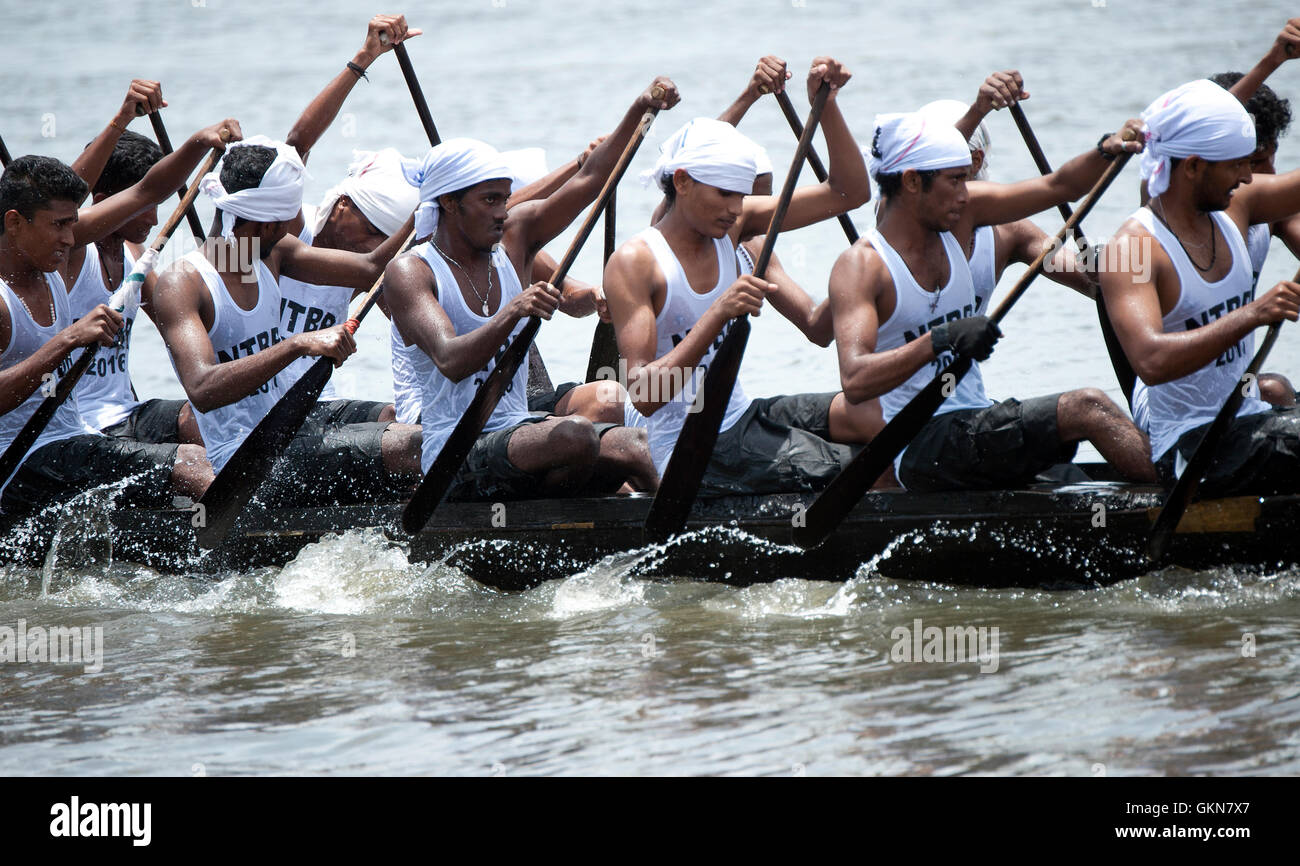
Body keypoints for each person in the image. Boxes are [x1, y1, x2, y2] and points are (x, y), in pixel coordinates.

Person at [828, 110, 1155, 492]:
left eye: (967, 179)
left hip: (972, 419)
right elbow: (855, 379)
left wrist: (1106, 149)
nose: (966, 194)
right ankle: (1188, 491)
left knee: (1069, 474)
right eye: (954, 181)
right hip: (918, 442)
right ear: (912, 181)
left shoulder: (963, 215)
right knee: (1088, 407)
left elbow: (1059, 187)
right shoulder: (862, 266)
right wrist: (940, 338)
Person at [384, 78, 679, 500]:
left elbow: (593, 177)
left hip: (517, 428)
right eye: (489, 200)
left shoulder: (515, 239)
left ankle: (679, 527)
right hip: (453, 447)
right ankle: (548, 503)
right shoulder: (411, 272)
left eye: (505, 199)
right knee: (576, 436)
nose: (503, 212)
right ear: (449, 203)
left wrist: (641, 109)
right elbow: (451, 359)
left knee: (637, 445)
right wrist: (514, 310)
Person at [603, 57, 873, 495]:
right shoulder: (636, 262)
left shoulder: (732, 226)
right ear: (684, 182)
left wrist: (825, 106)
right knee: (860, 475)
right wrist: (718, 313)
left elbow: (849, 193)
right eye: (724, 193)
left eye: (742, 195)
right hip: (683, 449)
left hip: (739, 420)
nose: (735, 208)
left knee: (875, 448)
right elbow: (644, 395)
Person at [151, 137, 421, 506]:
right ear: (264, 224)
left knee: (404, 427)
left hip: (293, 430)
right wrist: (296, 344)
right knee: (415, 446)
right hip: (247, 458)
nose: (292, 230)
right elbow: (202, 388)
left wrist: (425, 208)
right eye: (285, 223)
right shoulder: (182, 283)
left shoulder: (275, 252)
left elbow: (372, 269)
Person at [1101, 78, 1300, 496]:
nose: (1248, 177)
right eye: (1236, 165)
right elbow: (1151, 361)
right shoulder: (1131, 249)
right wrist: (1254, 314)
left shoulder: (1236, 207)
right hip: (1191, 447)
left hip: (1247, 421)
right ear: (1192, 166)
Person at [0, 156, 213, 513]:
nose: (71, 238)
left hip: (76, 440)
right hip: (20, 464)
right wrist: (68, 340)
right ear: (15, 222)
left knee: (209, 441)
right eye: (59, 225)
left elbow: (147, 190)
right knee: (190, 461)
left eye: (74, 225)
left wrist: (201, 145)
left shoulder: (50, 262)